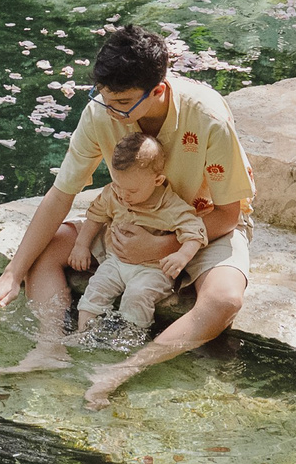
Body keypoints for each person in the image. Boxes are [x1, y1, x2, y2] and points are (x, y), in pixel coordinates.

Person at [0, 23, 253, 408]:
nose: (111, 112)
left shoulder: (207, 117)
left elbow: (229, 216)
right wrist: (12, 273)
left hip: (203, 227)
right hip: (129, 219)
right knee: (47, 248)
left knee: (224, 301)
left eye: (122, 103)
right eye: (103, 98)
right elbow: (60, 195)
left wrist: (163, 245)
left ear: (158, 90)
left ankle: (122, 371)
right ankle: (51, 347)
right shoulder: (102, 110)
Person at [67, 132, 208, 351]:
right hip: (116, 261)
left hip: (153, 269)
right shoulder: (113, 194)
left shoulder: (170, 206)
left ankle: (129, 341)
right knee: (97, 286)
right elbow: (95, 215)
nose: (123, 196)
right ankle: (83, 333)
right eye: (117, 185)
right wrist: (81, 245)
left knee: (138, 294)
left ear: (157, 180)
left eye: (132, 190)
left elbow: (195, 231)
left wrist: (182, 255)